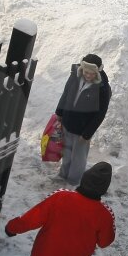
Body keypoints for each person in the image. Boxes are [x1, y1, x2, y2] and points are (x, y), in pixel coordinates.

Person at [55, 54, 112, 185]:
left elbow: (101, 114)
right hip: (68, 122)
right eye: (86, 72)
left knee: (78, 158)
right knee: (67, 152)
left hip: (82, 129)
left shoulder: (102, 88)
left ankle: (73, 181)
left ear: (97, 72)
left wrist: (87, 134)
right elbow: (65, 93)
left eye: (92, 73)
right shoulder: (74, 77)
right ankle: (63, 175)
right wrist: (59, 112)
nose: (88, 75)